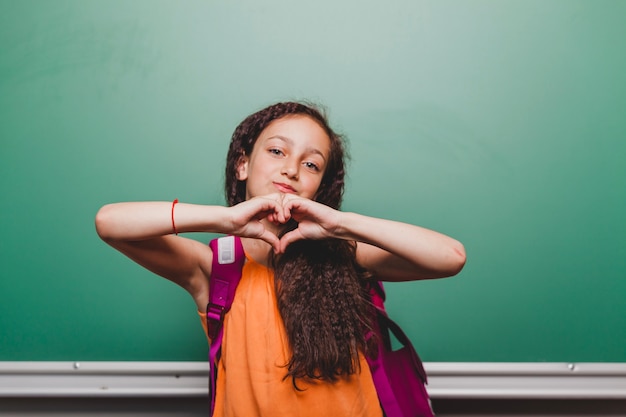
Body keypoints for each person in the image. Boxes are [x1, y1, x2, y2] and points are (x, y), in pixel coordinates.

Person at [95, 101, 466, 417]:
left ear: (320, 188)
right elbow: (110, 223)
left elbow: (450, 257)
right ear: (242, 165)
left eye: (312, 165)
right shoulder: (215, 267)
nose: (291, 169)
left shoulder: (347, 256)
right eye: (277, 151)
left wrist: (339, 223)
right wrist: (225, 218)